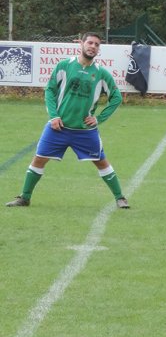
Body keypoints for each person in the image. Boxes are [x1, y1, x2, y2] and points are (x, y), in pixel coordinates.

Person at [6, 32, 129, 209]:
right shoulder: (64, 65)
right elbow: (50, 90)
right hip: (58, 128)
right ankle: (24, 198)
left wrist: (99, 118)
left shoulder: (101, 74)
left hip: (84, 131)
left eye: (96, 44)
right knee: (39, 159)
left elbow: (116, 98)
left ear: (98, 49)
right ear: (81, 44)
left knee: (101, 162)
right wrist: (54, 116)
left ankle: (120, 198)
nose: (93, 46)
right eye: (90, 43)